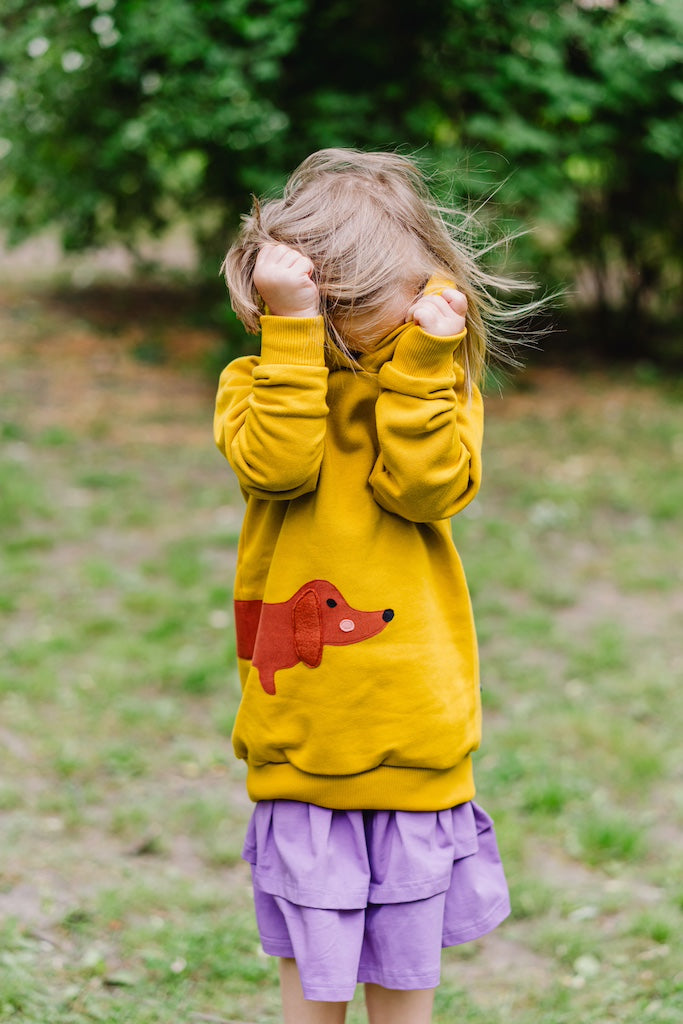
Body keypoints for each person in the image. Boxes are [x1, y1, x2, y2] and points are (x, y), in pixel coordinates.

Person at [214, 148, 521, 1024]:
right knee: (312, 990)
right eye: (331, 302)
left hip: (413, 738)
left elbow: (424, 489)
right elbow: (281, 465)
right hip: (306, 740)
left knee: (403, 988)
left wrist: (424, 364)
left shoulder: (434, 386)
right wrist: (292, 334)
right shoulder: (259, 383)